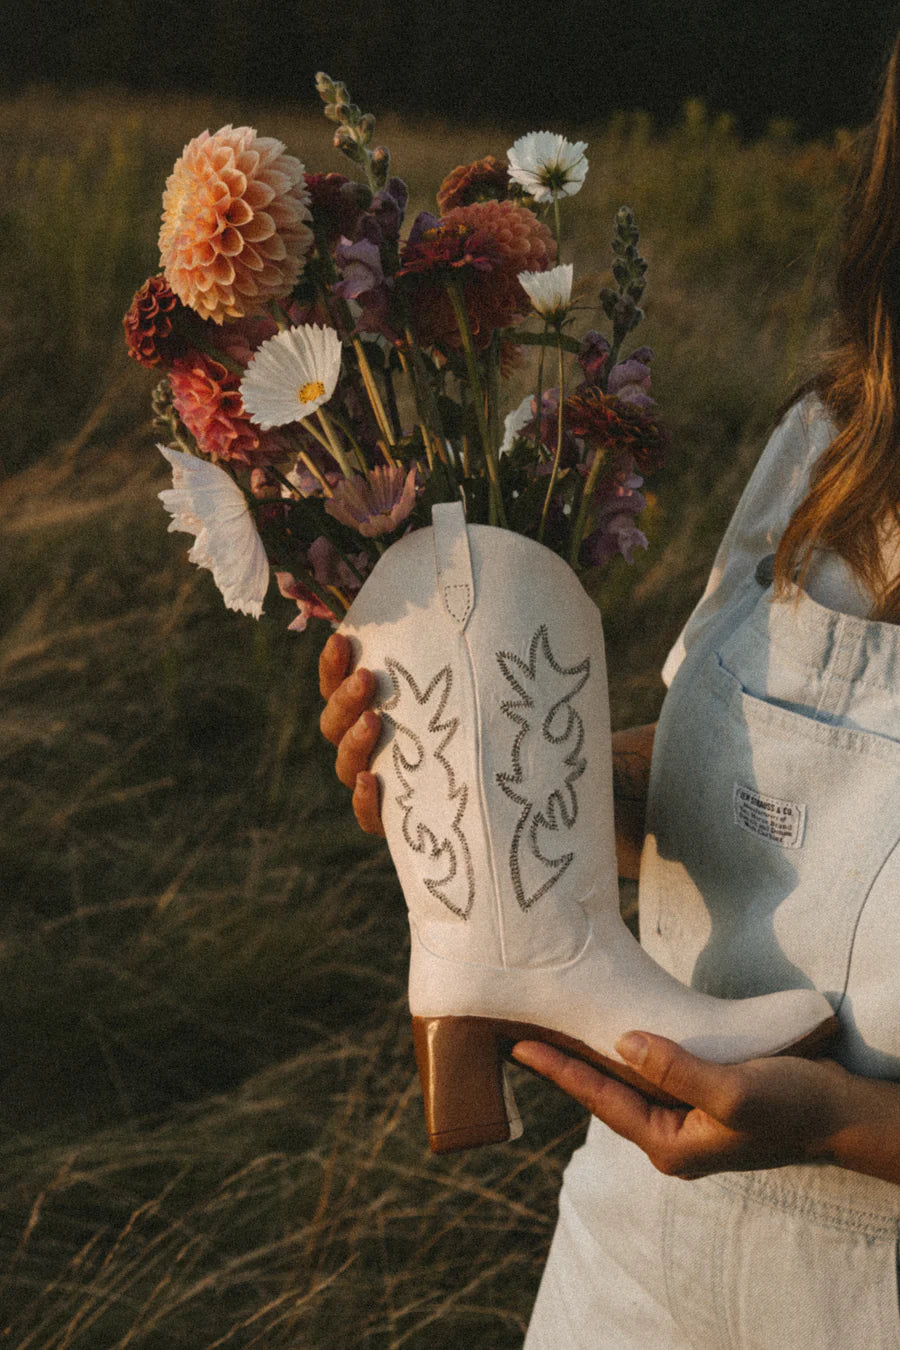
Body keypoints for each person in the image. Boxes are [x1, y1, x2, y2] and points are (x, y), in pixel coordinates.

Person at [319, 29, 900, 1347]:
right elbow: (775, 806)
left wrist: (852, 1121)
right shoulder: (830, 446)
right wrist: (480, 801)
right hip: (632, 1272)